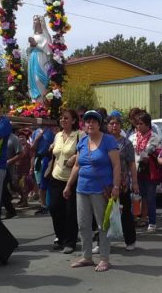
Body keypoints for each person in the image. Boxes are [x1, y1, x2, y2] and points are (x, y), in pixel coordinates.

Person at [63, 111, 120, 272]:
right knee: (83, 224)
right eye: (87, 121)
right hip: (82, 189)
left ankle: (104, 258)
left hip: (101, 190)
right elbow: (77, 165)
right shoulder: (82, 141)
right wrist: (68, 185)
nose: (90, 124)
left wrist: (116, 187)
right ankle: (87, 256)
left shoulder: (108, 140)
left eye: (94, 121)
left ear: (99, 123)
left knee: (103, 224)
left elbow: (116, 165)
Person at [48, 109, 80, 254]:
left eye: (66, 118)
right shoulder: (58, 135)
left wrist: (75, 156)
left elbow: (85, 151)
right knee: (54, 208)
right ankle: (60, 237)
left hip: (72, 179)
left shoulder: (79, 135)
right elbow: (56, 153)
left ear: (73, 120)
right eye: (61, 118)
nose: (63, 120)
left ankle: (70, 241)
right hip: (56, 176)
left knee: (70, 212)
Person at [107, 114, 138, 251]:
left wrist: (135, 182)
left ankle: (130, 240)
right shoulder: (104, 141)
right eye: (112, 123)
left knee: (125, 213)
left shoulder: (126, 143)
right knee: (103, 212)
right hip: (105, 182)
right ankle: (100, 242)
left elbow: (132, 164)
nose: (114, 126)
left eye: (117, 123)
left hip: (123, 183)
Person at [130, 112, 161, 232]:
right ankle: (136, 218)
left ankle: (152, 221)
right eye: (137, 124)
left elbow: (159, 153)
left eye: (141, 124)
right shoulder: (132, 137)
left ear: (148, 124)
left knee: (150, 197)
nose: (138, 126)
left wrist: (151, 156)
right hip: (134, 170)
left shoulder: (155, 137)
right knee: (136, 197)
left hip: (148, 171)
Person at [27, 14, 52, 102]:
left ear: (41, 21)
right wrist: (30, 46)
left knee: (39, 80)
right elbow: (28, 51)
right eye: (33, 20)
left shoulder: (45, 35)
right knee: (32, 80)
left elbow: (48, 50)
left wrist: (36, 44)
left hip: (41, 59)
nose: (34, 21)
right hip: (32, 59)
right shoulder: (33, 36)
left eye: (36, 19)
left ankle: (43, 102)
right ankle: (35, 104)